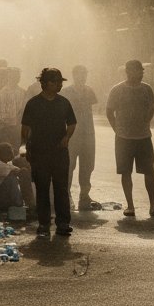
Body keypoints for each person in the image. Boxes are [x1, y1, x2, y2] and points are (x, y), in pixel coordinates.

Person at [106, 59, 154, 219]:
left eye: (140, 70)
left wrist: (147, 119)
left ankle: (153, 206)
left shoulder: (147, 89)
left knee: (149, 171)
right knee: (126, 172)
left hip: (143, 136)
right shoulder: (117, 89)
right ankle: (130, 206)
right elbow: (109, 110)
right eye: (135, 70)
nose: (138, 73)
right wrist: (116, 129)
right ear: (128, 71)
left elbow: (152, 106)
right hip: (123, 138)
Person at [21, 67, 76, 238]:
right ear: (45, 83)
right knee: (42, 188)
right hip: (39, 152)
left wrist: (67, 136)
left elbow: (72, 123)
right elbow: (25, 128)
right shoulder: (33, 103)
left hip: (60, 152)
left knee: (61, 188)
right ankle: (44, 224)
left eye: (60, 82)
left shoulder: (64, 102)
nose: (59, 85)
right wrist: (25, 146)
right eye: (56, 82)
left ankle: (63, 223)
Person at [62, 65, 98, 211]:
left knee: (87, 165)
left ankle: (84, 196)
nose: (82, 77)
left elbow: (92, 110)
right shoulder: (66, 92)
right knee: (68, 165)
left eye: (84, 74)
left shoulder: (89, 91)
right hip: (72, 134)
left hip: (88, 133)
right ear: (74, 75)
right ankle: (66, 195)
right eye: (79, 74)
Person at [0, 67, 26, 152]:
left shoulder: (22, 91)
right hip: (6, 127)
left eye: (18, 76)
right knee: (7, 150)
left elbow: (23, 108)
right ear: (9, 77)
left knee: (16, 150)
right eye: (14, 76)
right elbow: (0, 112)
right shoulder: (3, 92)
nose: (17, 78)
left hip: (18, 127)